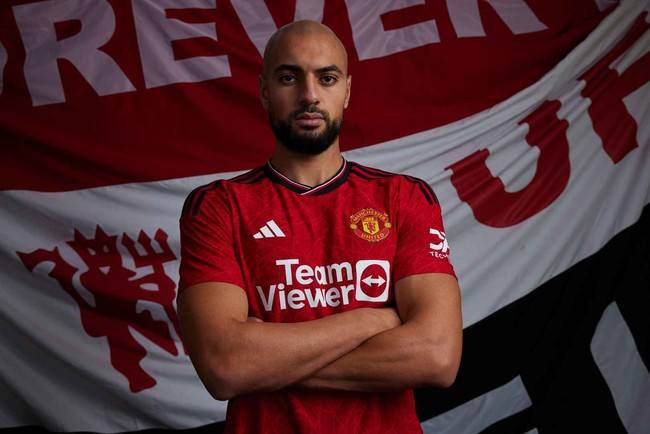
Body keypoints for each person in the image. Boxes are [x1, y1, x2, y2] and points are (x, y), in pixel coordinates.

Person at [177, 20, 462, 434]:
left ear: (347, 91)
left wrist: (267, 361)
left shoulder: (404, 197)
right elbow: (225, 366)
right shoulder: (218, 206)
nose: (309, 95)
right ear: (264, 90)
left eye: (326, 78)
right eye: (289, 78)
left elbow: (437, 356)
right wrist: (371, 321)